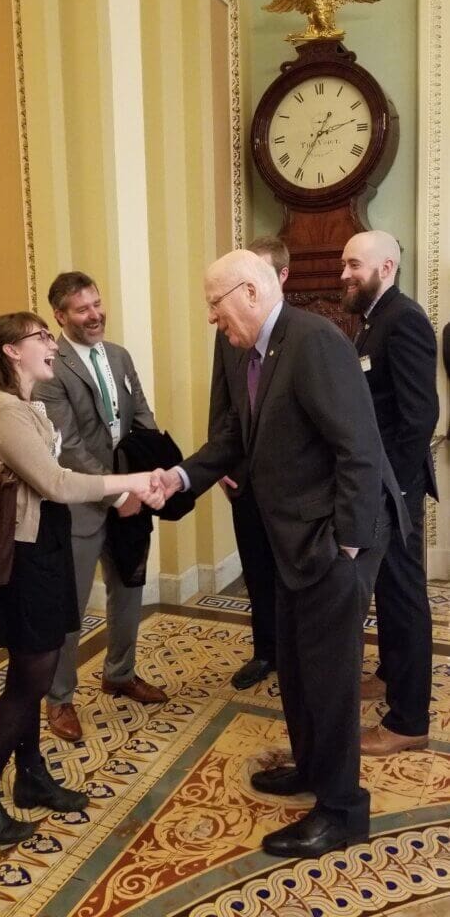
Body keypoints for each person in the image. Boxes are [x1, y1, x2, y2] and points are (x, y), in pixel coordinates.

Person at [154, 250, 408, 860]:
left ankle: (343, 810)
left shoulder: (312, 339)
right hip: (293, 541)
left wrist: (345, 546)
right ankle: (314, 770)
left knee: (328, 677)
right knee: (294, 667)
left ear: (247, 291)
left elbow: (358, 448)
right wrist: (179, 479)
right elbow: (233, 441)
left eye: (214, 307)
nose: (213, 320)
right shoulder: (254, 349)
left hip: (331, 540)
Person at [0, 312, 164, 847]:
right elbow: (55, 480)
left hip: (45, 545)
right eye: (41, 337)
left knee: (35, 675)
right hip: (22, 558)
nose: (52, 344)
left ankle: (30, 777)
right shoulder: (2, 411)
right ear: (11, 352)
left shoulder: (28, 406)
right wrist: (132, 481)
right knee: (28, 683)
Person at [35, 272, 167, 744]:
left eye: (96, 303)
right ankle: (60, 697)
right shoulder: (53, 366)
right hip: (82, 504)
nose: (95, 315)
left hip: (132, 498)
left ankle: (120, 672)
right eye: (82, 309)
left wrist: (155, 475)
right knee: (69, 604)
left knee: (128, 588)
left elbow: (143, 417)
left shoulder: (119, 356)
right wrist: (117, 492)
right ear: (61, 317)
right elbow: (68, 446)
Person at [341, 230, 439, 756]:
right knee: (390, 592)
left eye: (354, 264)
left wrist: (396, 489)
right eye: (343, 265)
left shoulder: (404, 321)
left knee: (404, 598)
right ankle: (388, 675)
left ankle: (408, 721)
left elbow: (421, 415)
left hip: (395, 487)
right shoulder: (374, 321)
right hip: (382, 484)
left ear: (386, 266)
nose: (345, 274)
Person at [209, 236, 289, 689]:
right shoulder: (228, 334)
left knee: (291, 574)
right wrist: (217, 461)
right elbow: (221, 399)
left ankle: (296, 653)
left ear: (277, 279)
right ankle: (265, 652)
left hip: (288, 485)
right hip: (242, 476)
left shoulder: (307, 334)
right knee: (255, 568)